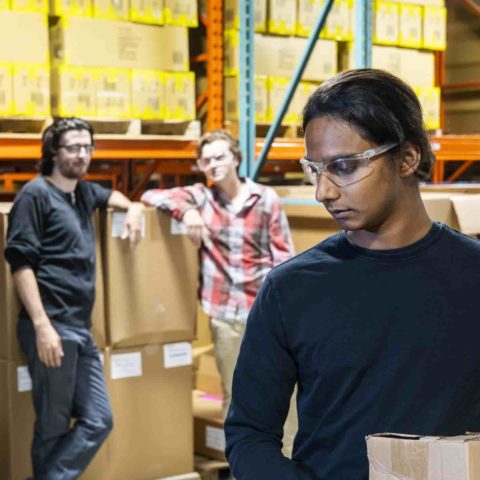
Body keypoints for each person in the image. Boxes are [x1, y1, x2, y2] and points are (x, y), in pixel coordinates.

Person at [224, 68, 480, 479]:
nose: (323, 191)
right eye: (316, 169)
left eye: (343, 166)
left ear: (408, 157)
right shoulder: (291, 290)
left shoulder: (473, 275)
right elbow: (249, 436)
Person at [4, 117, 144, 480]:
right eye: (73, 148)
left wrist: (133, 208)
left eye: (87, 147)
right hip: (52, 325)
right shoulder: (35, 195)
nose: (82, 155)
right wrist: (41, 325)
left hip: (79, 328)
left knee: (99, 418)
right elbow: (20, 263)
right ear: (53, 151)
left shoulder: (82, 193)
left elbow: (110, 196)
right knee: (52, 425)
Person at [141, 129, 297, 451]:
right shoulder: (202, 198)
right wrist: (187, 211)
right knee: (235, 396)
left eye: (220, 156)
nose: (213, 164)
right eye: (206, 159)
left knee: (281, 391)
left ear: (236, 159)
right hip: (224, 315)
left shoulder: (265, 199)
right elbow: (150, 197)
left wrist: (285, 310)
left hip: (265, 313)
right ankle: (242, 465)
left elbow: (285, 259)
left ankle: (287, 464)